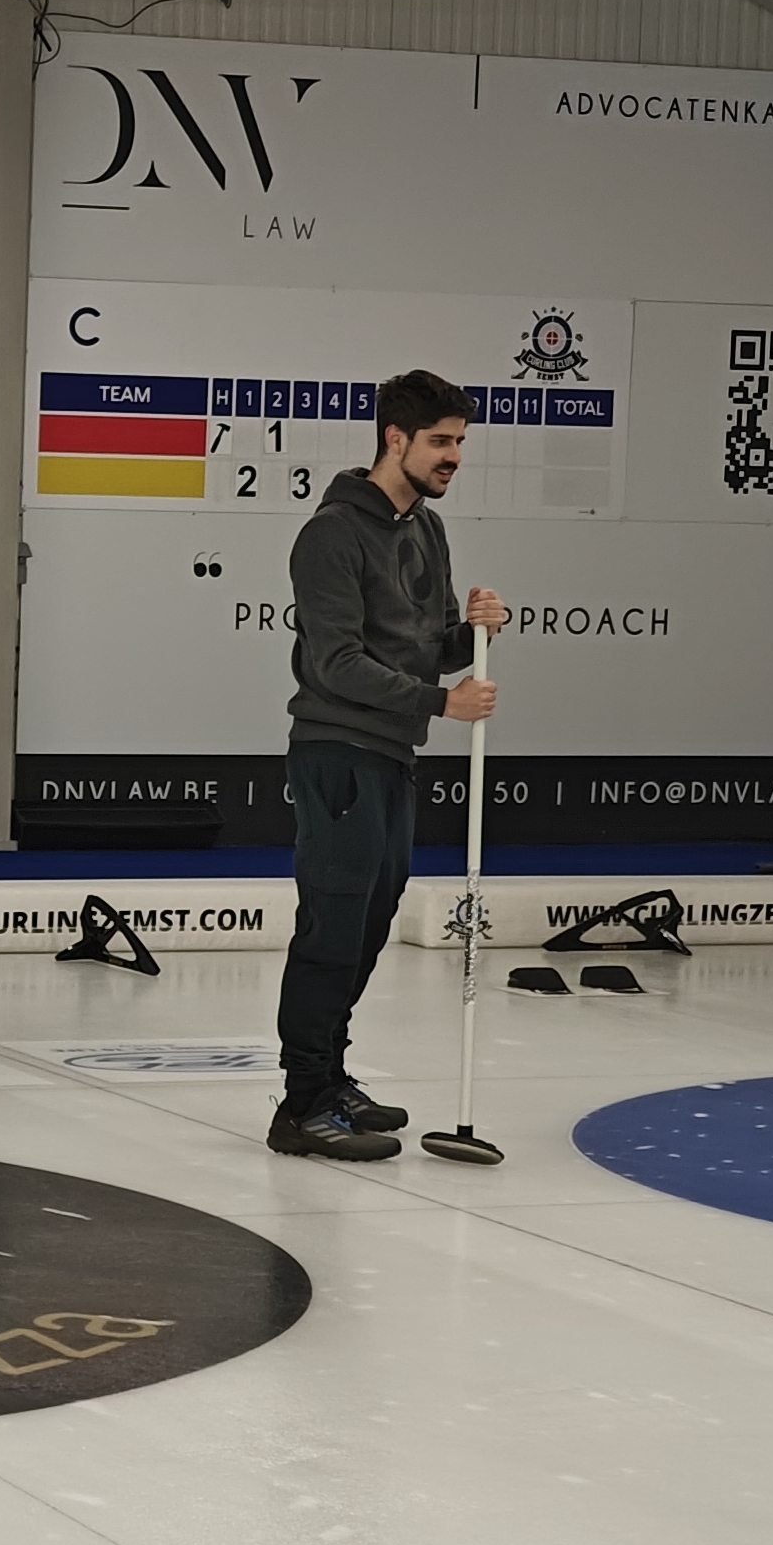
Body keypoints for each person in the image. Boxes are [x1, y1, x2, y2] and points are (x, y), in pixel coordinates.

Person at [273, 368, 509, 1161]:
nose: (454, 458)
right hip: (337, 751)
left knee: (369, 925)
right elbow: (336, 663)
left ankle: (331, 1079)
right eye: (441, 442)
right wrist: (442, 704)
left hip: (391, 754)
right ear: (394, 439)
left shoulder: (426, 530)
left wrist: (477, 631)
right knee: (333, 926)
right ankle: (301, 1106)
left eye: (460, 443)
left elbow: (429, 643)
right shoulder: (332, 533)